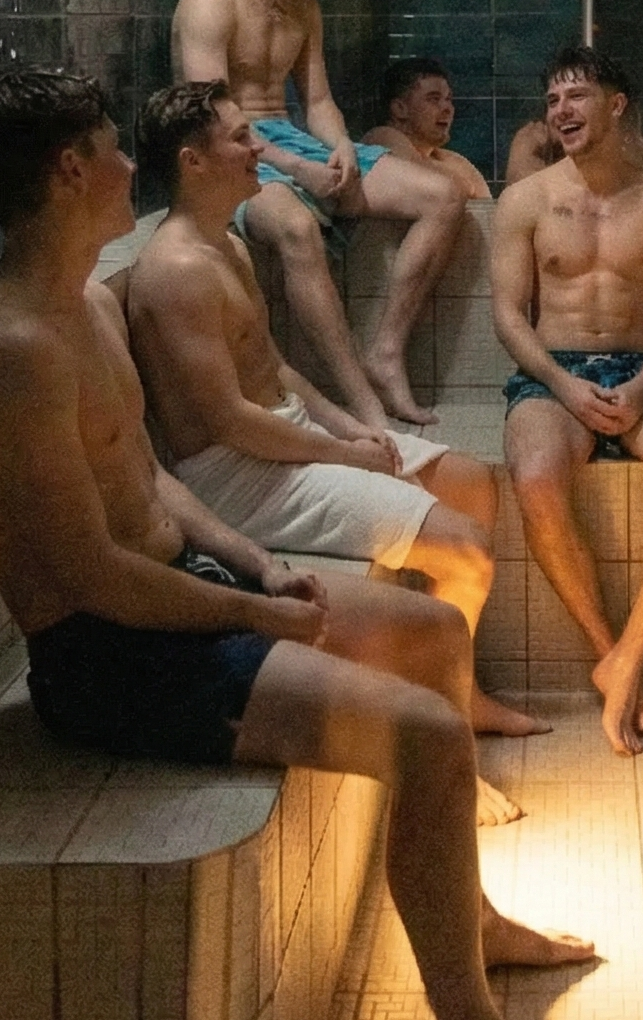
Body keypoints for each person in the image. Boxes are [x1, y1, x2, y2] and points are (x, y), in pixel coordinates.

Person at [0, 69, 623, 1020]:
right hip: (111, 657)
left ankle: (469, 916)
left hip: (186, 592)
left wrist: (252, 561)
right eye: (115, 147)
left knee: (434, 627)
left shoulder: (77, 306)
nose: (132, 166)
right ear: (70, 170)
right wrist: (255, 614)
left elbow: (152, 481)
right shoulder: (13, 347)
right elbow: (84, 578)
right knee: (431, 735)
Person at [122, 79, 546, 823]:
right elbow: (228, 421)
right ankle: (438, 732)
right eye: (240, 138)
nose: (261, 148)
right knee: (466, 549)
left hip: (286, 439)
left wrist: (351, 425)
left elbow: (277, 370)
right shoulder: (177, 270)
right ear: (192, 161)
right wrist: (347, 458)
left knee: (475, 484)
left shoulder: (223, 240)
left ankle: (462, 693)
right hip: (238, 478)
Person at [492, 46, 643, 756]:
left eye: (576, 96)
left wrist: (640, 387)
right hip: (552, 373)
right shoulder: (525, 202)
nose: (560, 111)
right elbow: (509, 316)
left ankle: (630, 654)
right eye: (553, 101)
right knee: (536, 475)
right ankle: (611, 650)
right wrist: (563, 383)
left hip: (642, 369)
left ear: (616, 105)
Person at [172, 0, 466, 431]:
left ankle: (385, 354)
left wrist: (340, 149)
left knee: (444, 196)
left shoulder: (302, 9)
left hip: (288, 139)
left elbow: (320, 101)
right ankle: (361, 402)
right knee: (297, 227)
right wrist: (293, 168)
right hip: (227, 152)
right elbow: (211, 119)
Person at [504, 99, 643, 200]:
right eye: (555, 102)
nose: (564, 113)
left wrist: (633, 142)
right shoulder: (534, 141)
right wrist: (522, 152)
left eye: (578, 99)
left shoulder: (631, 152)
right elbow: (522, 194)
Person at [362, 58, 491, 199]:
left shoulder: (450, 159)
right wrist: (464, 184)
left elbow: (487, 208)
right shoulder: (382, 138)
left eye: (448, 99)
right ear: (400, 109)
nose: (447, 108)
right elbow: (441, 187)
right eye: (433, 99)